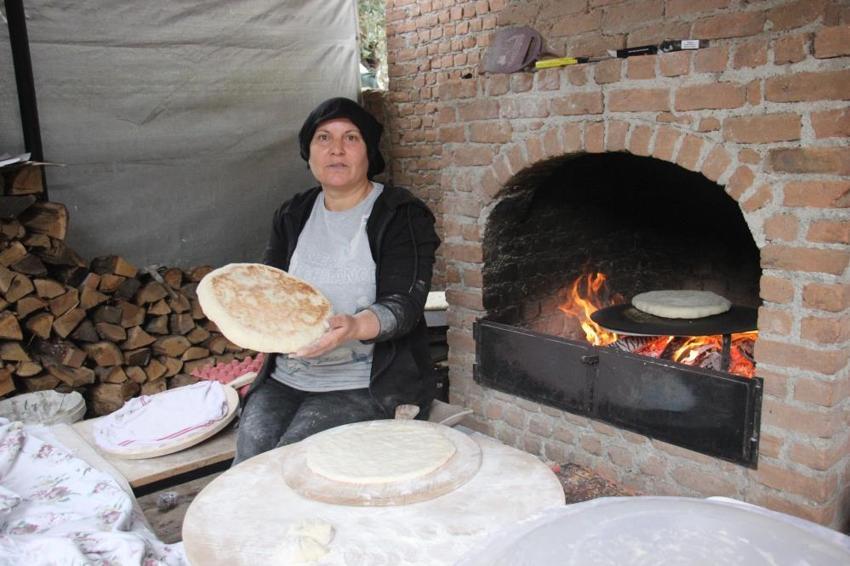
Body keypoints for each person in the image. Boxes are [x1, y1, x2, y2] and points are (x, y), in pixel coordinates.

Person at [232, 97, 440, 465]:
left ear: (369, 152)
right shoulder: (293, 214)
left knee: (292, 466)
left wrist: (354, 325)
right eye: (323, 138)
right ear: (308, 152)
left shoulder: (401, 214)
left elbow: (404, 306)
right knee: (248, 464)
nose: (337, 150)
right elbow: (272, 289)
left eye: (351, 138)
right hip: (286, 376)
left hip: (365, 383)